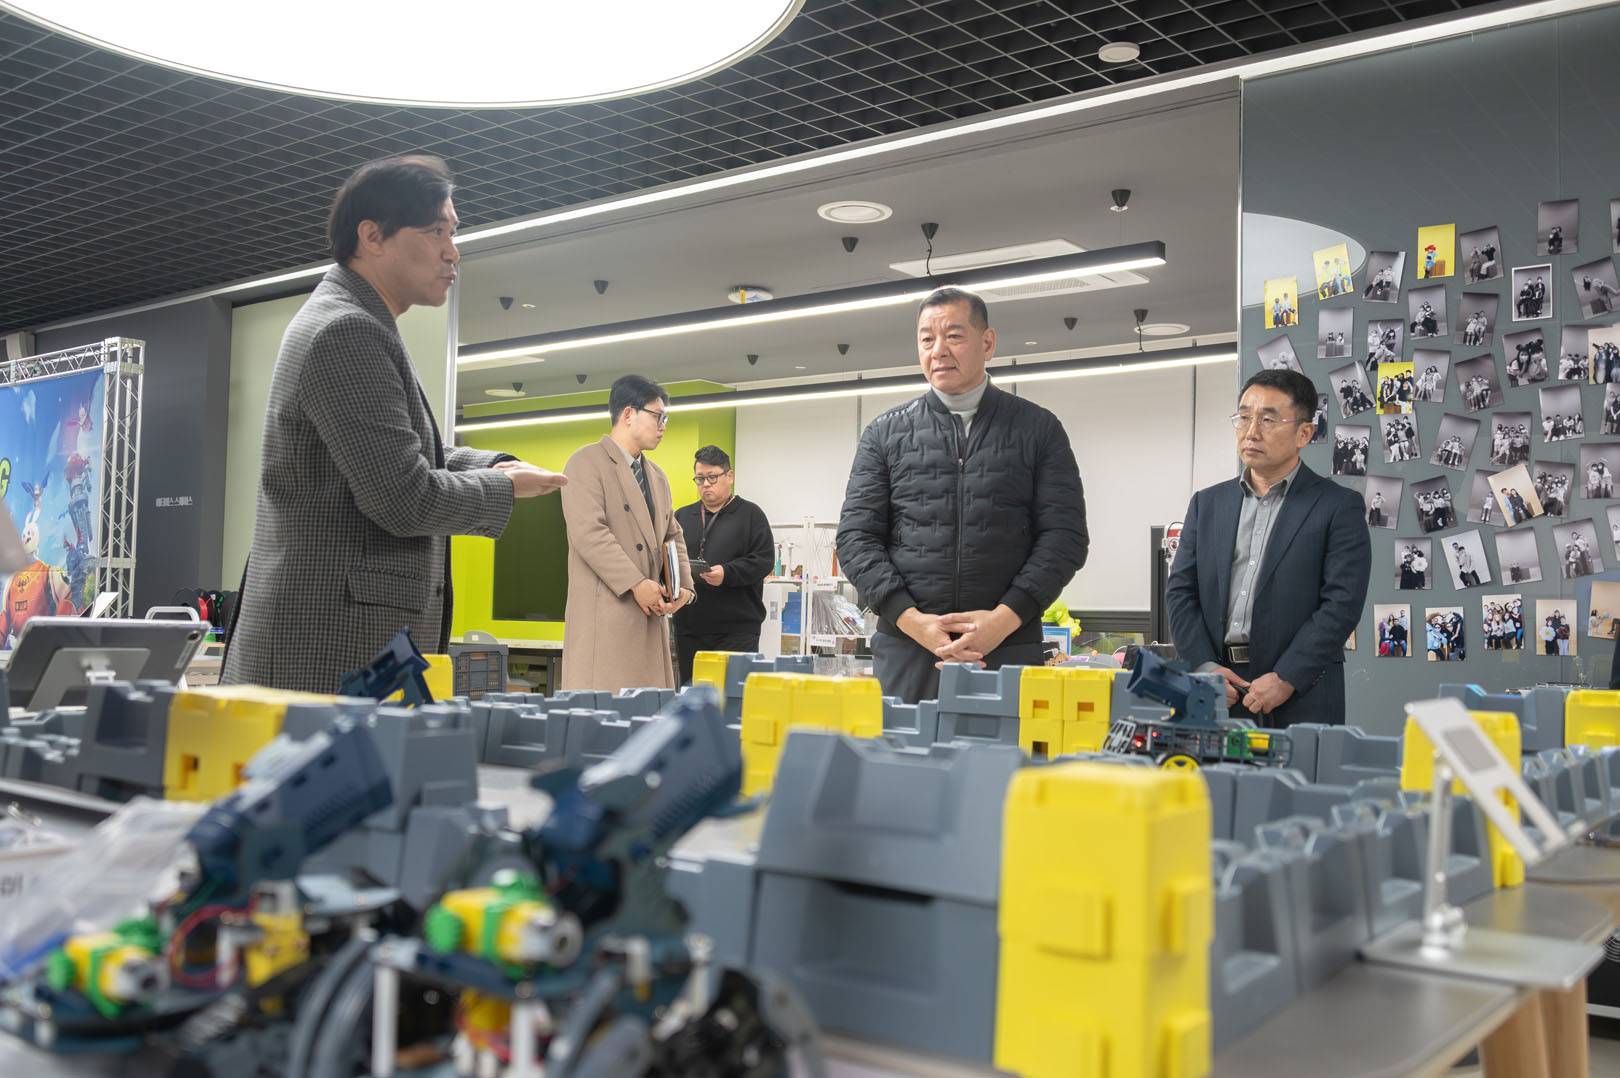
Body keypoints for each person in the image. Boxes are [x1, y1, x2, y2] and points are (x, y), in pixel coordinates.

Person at [222, 155, 565, 692]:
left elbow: (396, 455)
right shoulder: (347, 330)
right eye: (435, 232)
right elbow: (404, 498)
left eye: (453, 232)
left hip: (341, 642)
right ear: (372, 236)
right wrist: (502, 487)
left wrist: (495, 463)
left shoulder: (356, 320)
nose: (452, 251)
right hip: (328, 646)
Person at [837, 286, 1089, 704]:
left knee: (1002, 749)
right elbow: (855, 539)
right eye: (927, 339)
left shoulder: (1038, 429)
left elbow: (1064, 539)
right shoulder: (884, 433)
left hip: (1007, 647)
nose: (938, 350)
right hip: (908, 649)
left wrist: (1001, 622)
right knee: (902, 747)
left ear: (987, 343)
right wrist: (914, 622)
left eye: (953, 336)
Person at [1167, 368, 1371, 727]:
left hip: (1300, 692)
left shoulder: (1338, 505)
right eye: (1244, 417)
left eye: (1268, 420)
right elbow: (1181, 591)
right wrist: (1204, 666)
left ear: (1304, 433)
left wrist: (1287, 677)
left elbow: (1342, 603)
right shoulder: (1207, 504)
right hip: (1217, 689)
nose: (1251, 431)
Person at [560, 375, 694, 692]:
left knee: (648, 712)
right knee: (605, 713)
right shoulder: (585, 463)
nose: (663, 426)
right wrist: (636, 584)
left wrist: (683, 589)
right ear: (628, 414)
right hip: (607, 620)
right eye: (658, 416)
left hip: (651, 615)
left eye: (665, 419)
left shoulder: (657, 476)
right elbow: (590, 534)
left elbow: (673, 536)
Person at [671, 445, 774, 684]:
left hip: (737, 630)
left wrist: (728, 573)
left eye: (712, 477)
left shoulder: (751, 515)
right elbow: (668, 559)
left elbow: (763, 560)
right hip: (690, 627)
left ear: (729, 476)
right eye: (700, 479)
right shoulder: (682, 517)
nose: (705, 484)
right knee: (693, 699)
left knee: (732, 698)